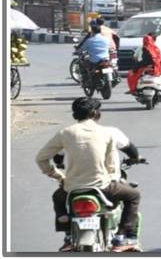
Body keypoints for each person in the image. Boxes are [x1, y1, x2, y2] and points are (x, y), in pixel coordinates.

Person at [35, 98, 142, 252]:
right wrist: (113, 178)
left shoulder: (65, 133)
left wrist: (58, 176)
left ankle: (67, 236)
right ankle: (121, 238)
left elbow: (41, 158)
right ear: (95, 113)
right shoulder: (107, 132)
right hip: (103, 188)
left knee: (58, 197)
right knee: (133, 196)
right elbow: (111, 165)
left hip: (72, 189)